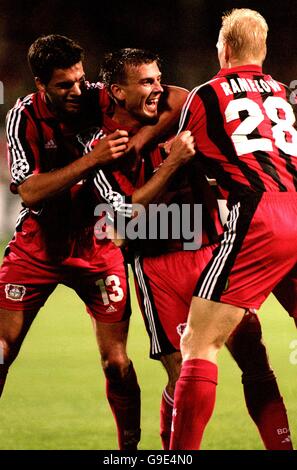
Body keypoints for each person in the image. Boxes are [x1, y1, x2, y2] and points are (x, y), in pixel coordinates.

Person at [88, 48, 292, 450]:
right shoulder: (102, 148)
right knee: (181, 371)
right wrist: (172, 162)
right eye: (146, 82)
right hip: (157, 265)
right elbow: (120, 221)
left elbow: (187, 95)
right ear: (117, 92)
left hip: (213, 248)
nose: (157, 89)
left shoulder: (181, 115)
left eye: (158, 79)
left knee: (254, 359)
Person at [0, 34, 189, 450]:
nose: (77, 91)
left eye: (80, 80)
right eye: (64, 85)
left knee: (117, 363)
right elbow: (29, 191)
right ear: (40, 84)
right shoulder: (24, 118)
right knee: (1, 350)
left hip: (98, 245)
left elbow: (178, 96)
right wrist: (92, 159)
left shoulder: (101, 96)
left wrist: (140, 139)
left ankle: (129, 452)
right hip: (38, 247)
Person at [169, 8, 297, 450]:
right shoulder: (284, 93)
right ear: (262, 50)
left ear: (223, 49)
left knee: (199, 342)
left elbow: (186, 161)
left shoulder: (205, 95)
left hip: (260, 216)